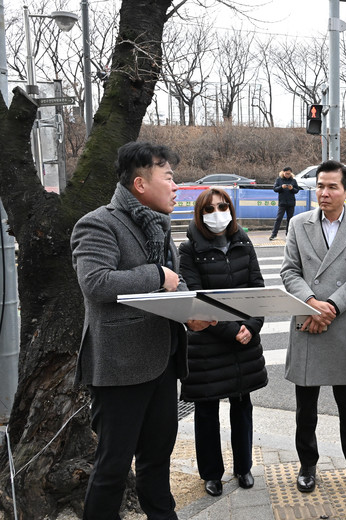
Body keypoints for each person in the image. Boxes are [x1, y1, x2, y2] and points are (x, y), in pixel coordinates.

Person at [71, 141, 212, 520]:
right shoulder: (98, 223)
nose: (176, 186)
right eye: (169, 177)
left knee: (157, 461)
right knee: (113, 468)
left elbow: (176, 281)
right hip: (119, 369)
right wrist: (155, 275)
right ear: (140, 183)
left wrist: (192, 313)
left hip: (163, 364)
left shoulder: (158, 225)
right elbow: (96, 282)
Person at [280, 160, 346, 495]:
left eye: (332, 187)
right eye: (320, 186)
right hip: (306, 318)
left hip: (341, 319)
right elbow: (289, 271)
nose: (324, 192)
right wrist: (311, 302)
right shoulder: (299, 224)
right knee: (305, 405)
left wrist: (331, 307)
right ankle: (307, 465)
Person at [178, 188, 268, 497]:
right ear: (199, 214)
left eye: (222, 206)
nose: (217, 213)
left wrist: (251, 327)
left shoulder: (244, 242)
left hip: (243, 341)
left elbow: (258, 290)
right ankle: (211, 473)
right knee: (206, 411)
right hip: (207, 345)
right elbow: (196, 299)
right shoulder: (188, 250)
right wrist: (232, 330)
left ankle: (244, 467)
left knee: (242, 406)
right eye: (209, 209)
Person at [269, 166, 300, 240]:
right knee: (279, 218)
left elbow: (297, 190)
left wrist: (292, 189)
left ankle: (288, 234)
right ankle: (274, 234)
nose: (287, 175)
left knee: (290, 219)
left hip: (291, 202)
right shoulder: (279, 180)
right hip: (282, 202)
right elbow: (275, 189)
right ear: (283, 173)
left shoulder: (293, 181)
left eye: (289, 174)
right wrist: (281, 187)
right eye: (286, 173)